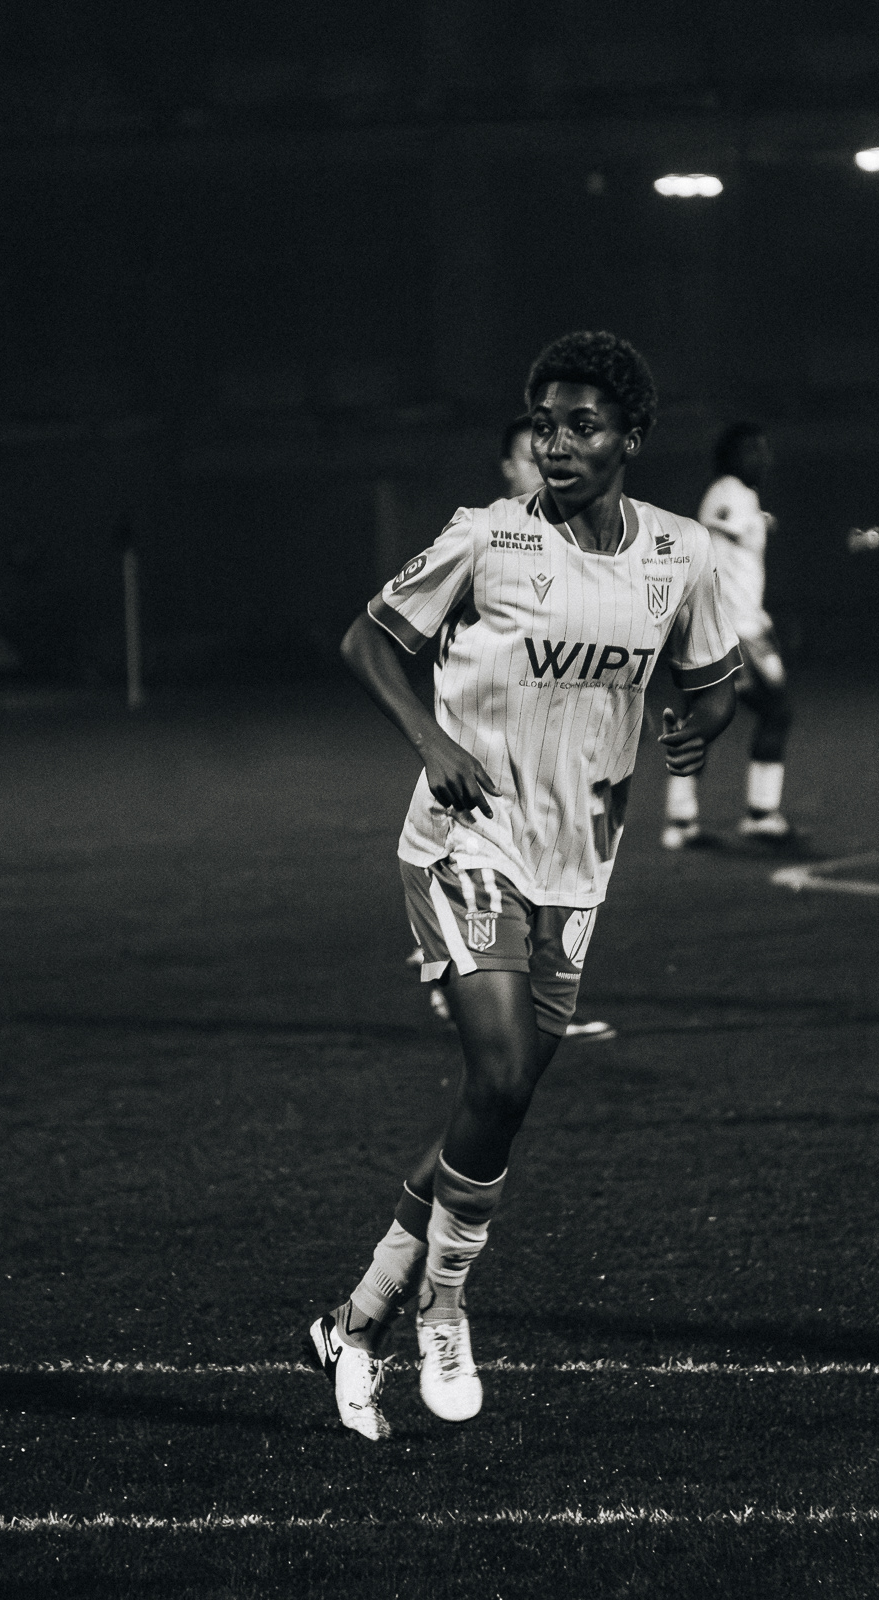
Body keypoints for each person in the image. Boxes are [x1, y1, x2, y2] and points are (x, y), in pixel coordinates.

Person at [306, 330, 741, 1439]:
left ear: (631, 438)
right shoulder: (486, 539)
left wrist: (700, 728)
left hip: (577, 867)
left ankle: (358, 1319)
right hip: (466, 843)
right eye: (545, 424)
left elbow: (714, 681)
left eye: (582, 425)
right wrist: (431, 742)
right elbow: (366, 641)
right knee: (499, 1073)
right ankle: (444, 1306)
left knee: (494, 1107)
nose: (556, 443)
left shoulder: (682, 553)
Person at [420, 412, 618, 1044]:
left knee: (551, 888)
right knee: (500, 882)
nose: (551, 466)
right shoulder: (482, 542)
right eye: (534, 458)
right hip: (488, 767)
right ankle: (471, 986)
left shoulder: (581, 548)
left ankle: (510, 999)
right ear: (509, 467)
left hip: (561, 766)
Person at [662, 422, 793, 847]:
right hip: (733, 629)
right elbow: (714, 540)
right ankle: (759, 814)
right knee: (774, 709)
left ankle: (683, 820)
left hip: (733, 624)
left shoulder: (735, 496)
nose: (763, 457)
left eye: (764, 448)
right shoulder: (733, 493)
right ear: (731, 456)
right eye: (752, 449)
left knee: (707, 717)